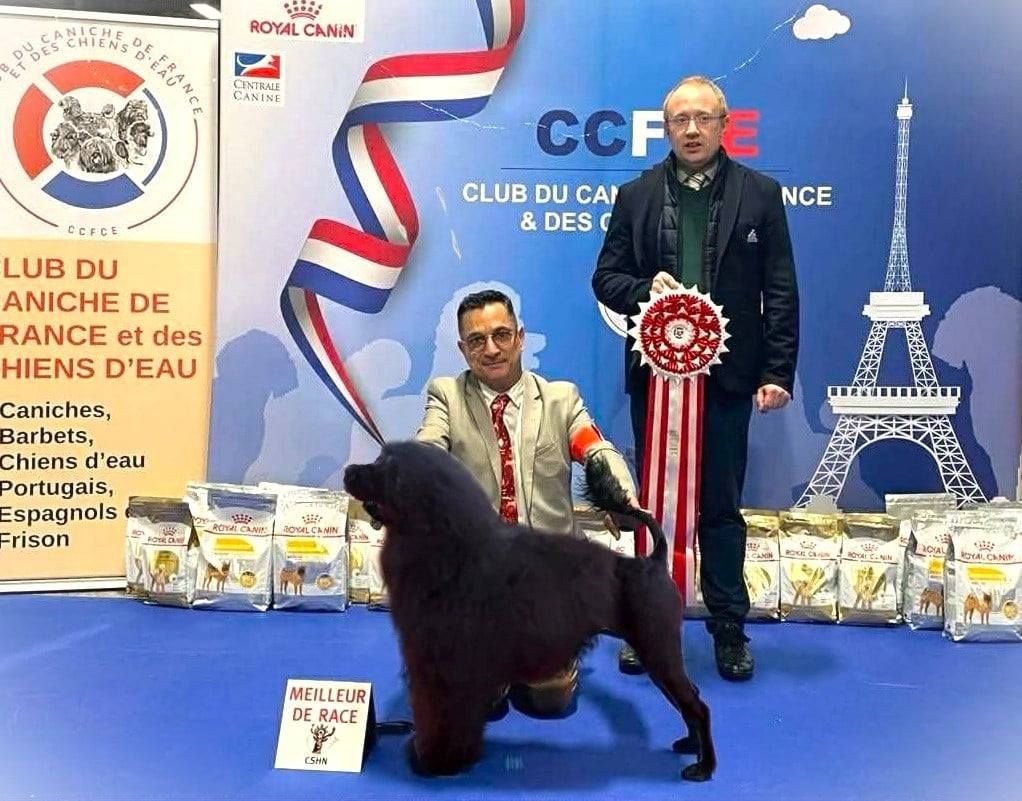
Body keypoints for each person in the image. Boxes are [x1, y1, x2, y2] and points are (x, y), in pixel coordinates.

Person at [592, 75, 799, 682]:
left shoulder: (761, 194)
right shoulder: (634, 196)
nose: (691, 129)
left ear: (723, 124)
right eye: (679, 119)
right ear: (665, 128)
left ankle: (728, 627)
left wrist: (777, 369)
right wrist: (643, 290)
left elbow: (780, 289)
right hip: (655, 380)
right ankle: (646, 624)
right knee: (652, 504)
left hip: (729, 379)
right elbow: (605, 278)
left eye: (703, 118)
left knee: (721, 508)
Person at [416, 288, 638, 717]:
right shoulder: (447, 396)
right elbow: (428, 446)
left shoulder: (560, 399)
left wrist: (619, 494)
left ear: (520, 338)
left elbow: (596, 450)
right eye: (477, 340)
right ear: (463, 350)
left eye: (501, 335)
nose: (491, 349)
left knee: (550, 699)